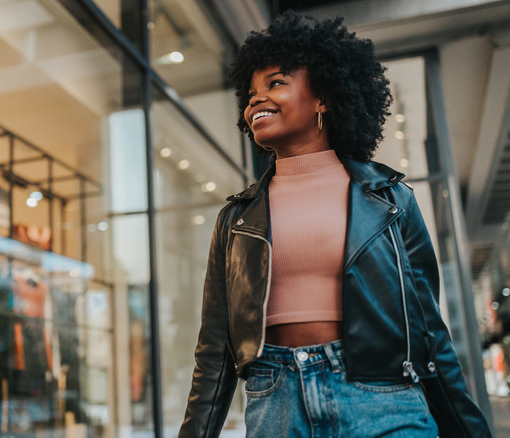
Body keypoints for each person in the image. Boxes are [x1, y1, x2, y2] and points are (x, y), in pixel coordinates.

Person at [179, 11, 491, 438]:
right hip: (275, 402)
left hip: (382, 398)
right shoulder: (235, 219)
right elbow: (215, 349)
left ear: (323, 97)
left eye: (275, 83)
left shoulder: (391, 201)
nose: (255, 99)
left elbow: (428, 330)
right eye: (250, 93)